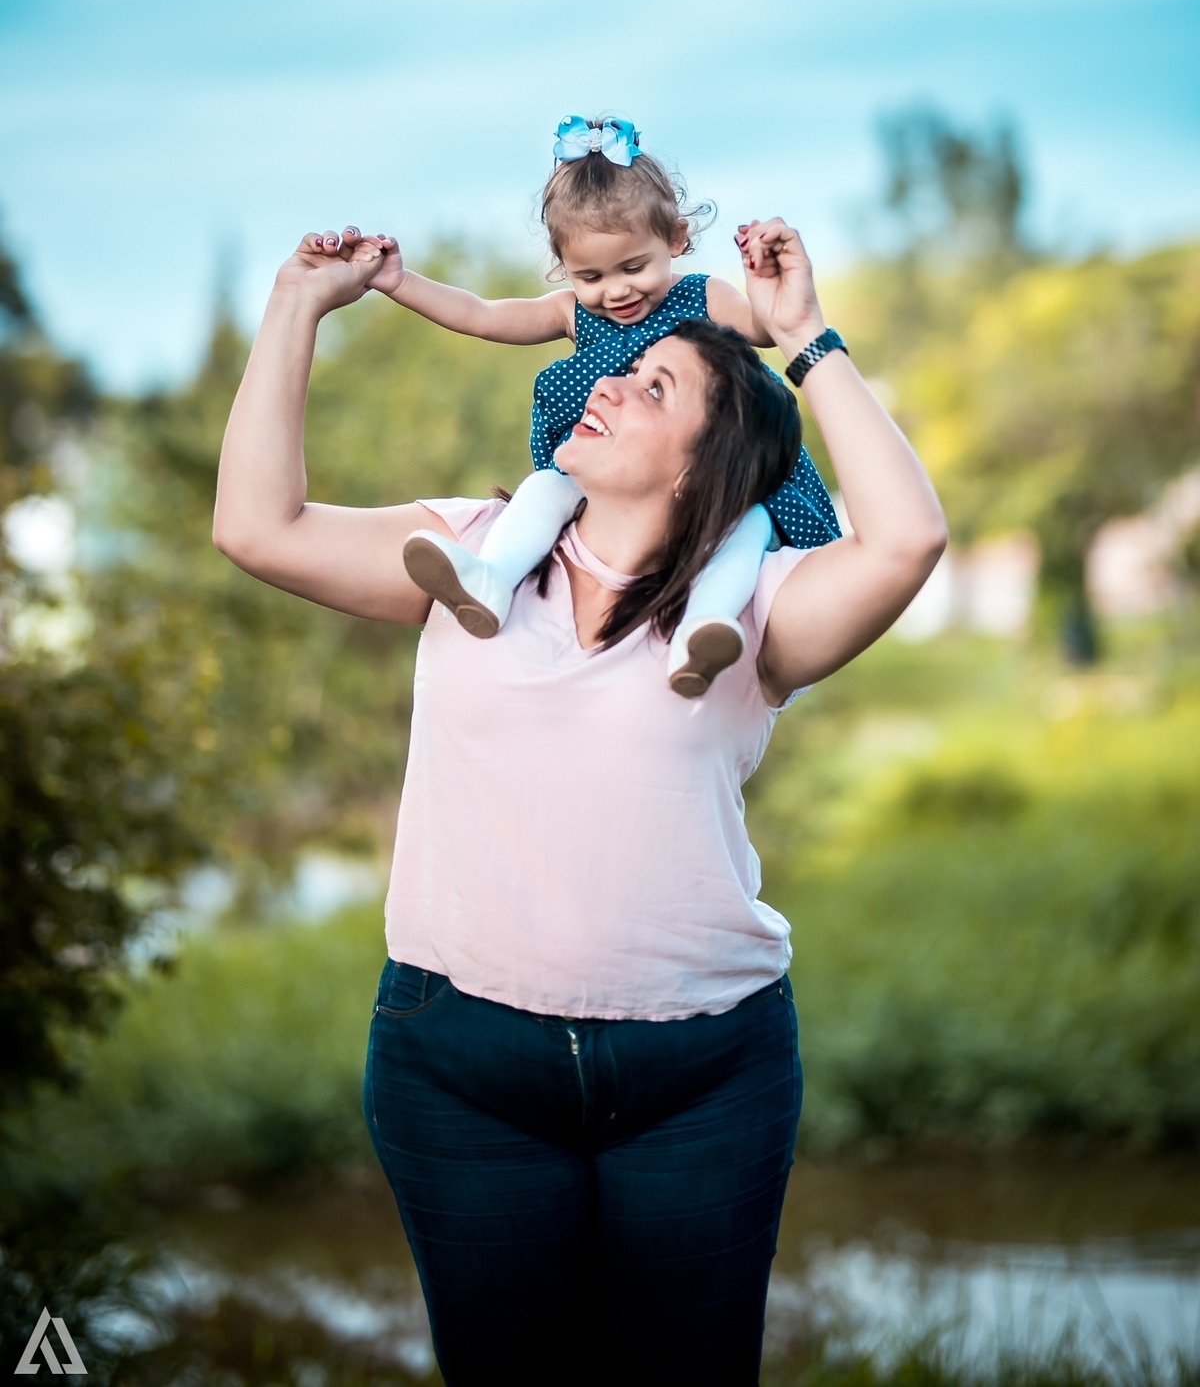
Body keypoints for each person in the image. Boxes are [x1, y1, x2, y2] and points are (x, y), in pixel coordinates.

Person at [213, 212, 947, 1387]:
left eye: (653, 384)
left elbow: (908, 539)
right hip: (457, 1068)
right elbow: (256, 529)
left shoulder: (760, 607)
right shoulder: (468, 549)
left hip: (704, 1076)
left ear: (708, 455)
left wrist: (805, 333)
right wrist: (297, 305)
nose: (607, 385)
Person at [362, 115, 841, 698]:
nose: (615, 291)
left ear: (675, 240)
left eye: (634, 267)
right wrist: (398, 281)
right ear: (565, 269)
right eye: (590, 275)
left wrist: (768, 280)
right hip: (603, 463)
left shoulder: (703, 295)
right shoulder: (572, 313)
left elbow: (762, 329)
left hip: (709, 464)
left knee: (751, 522)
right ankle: (491, 580)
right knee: (545, 489)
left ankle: (704, 628)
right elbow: (482, 316)